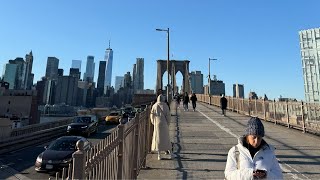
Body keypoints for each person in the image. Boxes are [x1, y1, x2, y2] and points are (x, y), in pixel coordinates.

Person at [150, 94, 173, 160]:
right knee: (166, 139)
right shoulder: (165, 105)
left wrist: (154, 122)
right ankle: (171, 154)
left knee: (158, 139)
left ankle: (159, 155)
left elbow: (152, 115)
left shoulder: (154, 106)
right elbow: (168, 116)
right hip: (164, 124)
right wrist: (167, 123)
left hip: (157, 124)